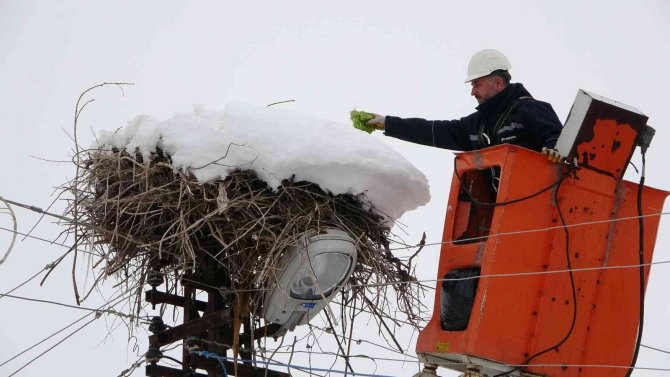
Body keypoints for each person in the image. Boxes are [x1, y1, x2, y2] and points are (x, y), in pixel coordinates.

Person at [364, 49, 564, 161]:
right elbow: (433, 130)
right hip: (501, 210)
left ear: (498, 83)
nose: (472, 91)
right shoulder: (476, 125)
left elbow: (557, 138)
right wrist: (389, 124)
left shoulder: (531, 109)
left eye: (477, 84)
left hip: (536, 206)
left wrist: (553, 149)